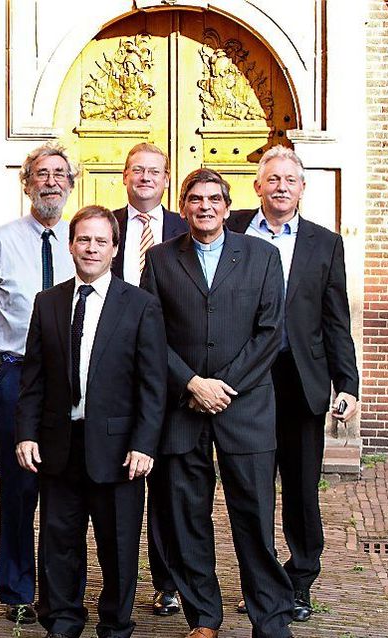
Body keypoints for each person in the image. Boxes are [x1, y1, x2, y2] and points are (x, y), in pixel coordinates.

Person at [141, 168, 293, 638]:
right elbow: (151, 334)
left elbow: (271, 332)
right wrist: (190, 383)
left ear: (228, 208)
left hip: (245, 409)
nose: (204, 207)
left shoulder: (262, 257)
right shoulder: (162, 260)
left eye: (213, 199)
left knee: (254, 521)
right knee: (187, 521)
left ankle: (270, 620)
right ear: (183, 207)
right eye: (195, 199)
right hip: (183, 410)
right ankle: (204, 618)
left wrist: (221, 386)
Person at [16, 205, 167, 638]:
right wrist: (26, 433)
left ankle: (116, 625)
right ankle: (62, 622)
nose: (92, 248)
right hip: (60, 444)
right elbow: (34, 377)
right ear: (71, 244)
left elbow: (152, 385)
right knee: (59, 542)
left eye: (101, 241)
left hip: (120, 450)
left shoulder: (140, 306)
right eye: (84, 239)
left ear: (115, 249)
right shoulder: (48, 302)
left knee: (118, 546)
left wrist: (144, 444)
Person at [227, 146, 359, 622]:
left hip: (302, 381)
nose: (281, 186)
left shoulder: (325, 244)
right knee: (252, 491)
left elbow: (335, 319)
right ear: (257, 186)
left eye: (291, 179)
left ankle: (300, 582)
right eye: (273, 179)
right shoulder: (232, 228)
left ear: (302, 188)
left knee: (302, 491)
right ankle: (261, 586)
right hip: (248, 380)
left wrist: (348, 383)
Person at [0, 143, 77, 624]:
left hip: (75, 381)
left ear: (71, 184)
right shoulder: (1, 240)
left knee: (69, 487)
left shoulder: (89, 239)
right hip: (18, 375)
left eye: (60, 174)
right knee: (18, 487)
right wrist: (10, 360)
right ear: (26, 182)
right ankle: (17, 588)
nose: (50, 182)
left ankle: (60, 590)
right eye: (41, 174)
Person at [110, 142, 188, 617]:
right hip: (113, 372)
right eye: (137, 170)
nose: (145, 178)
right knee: (116, 479)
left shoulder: (186, 226)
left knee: (166, 482)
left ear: (165, 180)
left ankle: (168, 581)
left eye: (154, 172)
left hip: (169, 372)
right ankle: (116, 580)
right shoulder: (102, 226)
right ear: (124, 176)